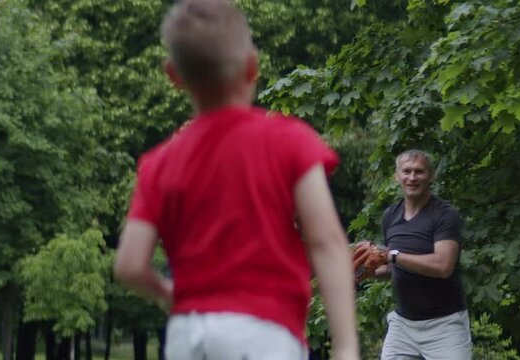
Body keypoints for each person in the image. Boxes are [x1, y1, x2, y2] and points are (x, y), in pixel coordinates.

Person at [112, 0, 359, 359]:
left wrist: (170, 293)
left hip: (189, 333)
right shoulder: (290, 140)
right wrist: (346, 347)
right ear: (252, 66)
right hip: (264, 333)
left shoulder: (158, 162)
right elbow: (326, 243)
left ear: (173, 75)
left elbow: (130, 265)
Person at [355, 149, 472, 359]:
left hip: (444, 325)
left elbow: (443, 267)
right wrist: (367, 271)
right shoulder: (390, 215)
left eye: (419, 172)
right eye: (406, 171)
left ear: (431, 176)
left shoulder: (445, 214)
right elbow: (392, 267)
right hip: (403, 325)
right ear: (397, 176)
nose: (412, 177)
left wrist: (392, 255)